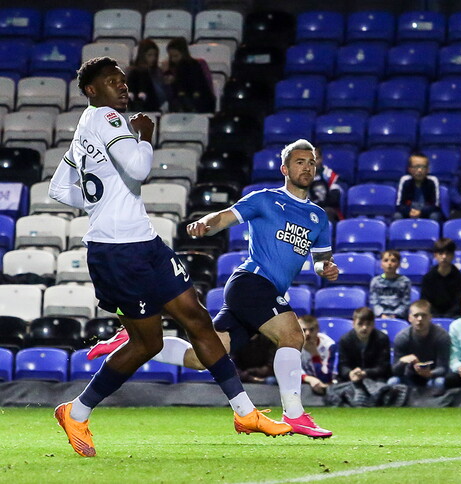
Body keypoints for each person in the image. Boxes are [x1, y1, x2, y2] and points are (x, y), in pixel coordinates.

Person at [48, 57, 289, 457]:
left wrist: (100, 204)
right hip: (117, 254)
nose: (122, 87)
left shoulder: (84, 131)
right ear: (92, 90)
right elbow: (141, 168)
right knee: (148, 344)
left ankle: (245, 412)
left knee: (197, 318)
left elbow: (60, 188)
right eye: (112, 81)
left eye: (124, 81)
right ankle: (77, 410)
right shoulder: (107, 119)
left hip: (143, 242)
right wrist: (144, 134)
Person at [88, 138, 340, 439]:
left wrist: (325, 268)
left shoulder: (319, 217)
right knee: (292, 335)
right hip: (251, 282)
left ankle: (130, 343)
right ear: (285, 168)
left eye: (311, 162)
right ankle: (295, 415)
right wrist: (204, 223)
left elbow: (320, 259)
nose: (307, 167)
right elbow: (225, 216)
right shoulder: (266, 200)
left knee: (202, 356)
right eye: (300, 162)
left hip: (262, 293)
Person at [389, 300, 451, 391]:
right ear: (410, 318)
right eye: (416, 315)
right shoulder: (402, 337)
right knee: (393, 382)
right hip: (409, 377)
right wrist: (402, 361)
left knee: (439, 382)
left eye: (424, 315)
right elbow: (394, 371)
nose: (420, 319)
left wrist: (430, 373)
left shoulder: (442, 336)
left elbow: (443, 367)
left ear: (430, 317)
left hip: (432, 377)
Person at [337, 307, 392, 383]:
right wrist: (350, 373)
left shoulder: (382, 339)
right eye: (360, 324)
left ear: (373, 325)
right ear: (353, 324)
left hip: (375, 379)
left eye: (368, 324)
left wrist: (365, 373)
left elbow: (384, 367)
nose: (364, 328)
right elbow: (342, 366)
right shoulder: (345, 340)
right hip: (351, 379)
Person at [420, 238, 461, 318]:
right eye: (441, 253)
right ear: (435, 255)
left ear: (453, 256)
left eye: (448, 253)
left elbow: (460, 303)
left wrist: (447, 317)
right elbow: (426, 302)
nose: (444, 257)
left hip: (454, 317)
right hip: (433, 318)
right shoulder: (428, 278)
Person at [164, 36, 215, 113]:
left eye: (176, 56)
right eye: (171, 56)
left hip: (199, 101)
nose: (173, 59)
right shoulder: (170, 69)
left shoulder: (194, 65)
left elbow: (198, 86)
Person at [395, 152, 444, 222]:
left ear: (428, 169)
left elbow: (435, 205)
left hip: (426, 213)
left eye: (423, 167)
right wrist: (409, 211)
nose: (419, 170)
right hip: (409, 212)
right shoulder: (404, 180)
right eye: (416, 167)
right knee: (397, 216)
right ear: (409, 169)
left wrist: (421, 212)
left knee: (435, 216)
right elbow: (399, 205)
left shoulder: (433, 181)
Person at [126, 38, 167, 112]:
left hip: (153, 102)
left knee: (143, 73)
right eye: (149, 55)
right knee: (137, 72)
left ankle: (141, 100)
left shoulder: (158, 71)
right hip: (134, 100)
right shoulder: (132, 71)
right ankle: (138, 101)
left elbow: (161, 95)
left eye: (155, 55)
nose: (153, 59)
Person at [369, 249, 412, 319]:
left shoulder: (405, 281)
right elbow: (374, 302)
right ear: (381, 264)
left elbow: (405, 303)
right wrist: (381, 314)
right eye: (386, 260)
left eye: (393, 261)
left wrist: (395, 315)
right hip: (379, 317)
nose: (389, 263)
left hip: (398, 317)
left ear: (398, 264)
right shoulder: (375, 281)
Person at [299, 315, 335, 395]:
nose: (307, 333)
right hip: (302, 382)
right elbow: (290, 371)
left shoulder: (328, 346)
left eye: (311, 330)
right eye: (304, 330)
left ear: (318, 329)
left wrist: (314, 354)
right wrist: (309, 379)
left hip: (321, 384)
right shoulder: (292, 344)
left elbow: (326, 378)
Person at [309, 145, 343, 225]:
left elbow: (334, 199)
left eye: (316, 159)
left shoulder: (330, 175)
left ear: (321, 159)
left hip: (327, 210)